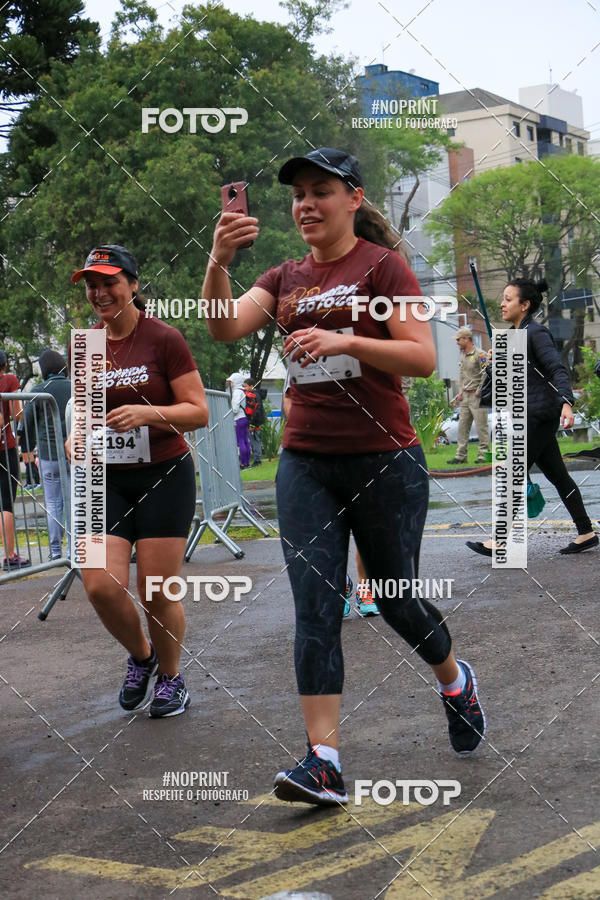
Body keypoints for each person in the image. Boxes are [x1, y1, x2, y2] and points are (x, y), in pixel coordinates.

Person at [204, 147, 486, 806]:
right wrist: (218, 261)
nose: (305, 203)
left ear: (354, 198)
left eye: (320, 191)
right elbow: (223, 328)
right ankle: (322, 760)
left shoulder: (383, 268)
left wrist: (348, 341)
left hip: (385, 458)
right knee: (315, 605)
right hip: (306, 462)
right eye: (298, 193)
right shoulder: (282, 278)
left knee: (394, 599)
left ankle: (454, 680)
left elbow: (420, 357)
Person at [68, 245, 208, 716]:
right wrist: (75, 438)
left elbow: (198, 411)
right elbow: (83, 414)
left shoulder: (163, 338)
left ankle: (172, 679)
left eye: (108, 282)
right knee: (100, 586)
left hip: (164, 475)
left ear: (131, 284)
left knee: (154, 590)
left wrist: (148, 413)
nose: (99, 292)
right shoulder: (84, 345)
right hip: (104, 481)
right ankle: (143, 658)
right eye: (91, 284)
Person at [467, 277, 598, 558]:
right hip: (532, 414)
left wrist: (566, 401)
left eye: (508, 298)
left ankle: (500, 540)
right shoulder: (516, 336)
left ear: (524, 305)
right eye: (502, 298)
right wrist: (494, 364)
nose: (502, 303)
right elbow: (510, 383)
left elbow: (556, 368)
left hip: (538, 416)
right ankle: (586, 532)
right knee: (559, 477)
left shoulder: (536, 333)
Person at [22, 349, 71, 559]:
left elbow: (27, 425)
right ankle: (75, 550)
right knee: (74, 501)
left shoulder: (38, 390)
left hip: (47, 454)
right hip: (73, 453)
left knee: (53, 503)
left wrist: (27, 450)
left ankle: (54, 551)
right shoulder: (75, 388)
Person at [0, 350, 30, 570]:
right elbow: (16, 412)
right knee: (6, 502)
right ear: (5, 364)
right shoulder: (8, 379)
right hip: (5, 447)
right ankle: (10, 556)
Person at [448, 328, 489, 465]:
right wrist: (460, 392)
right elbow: (462, 375)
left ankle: (483, 455)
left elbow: (486, 373)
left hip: (477, 396)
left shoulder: (480, 354)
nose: (457, 343)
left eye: (458, 340)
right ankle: (461, 456)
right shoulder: (462, 355)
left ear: (467, 339)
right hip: (465, 396)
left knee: (481, 427)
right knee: (462, 427)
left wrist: (479, 390)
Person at [227, 372, 251, 468]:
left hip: (239, 418)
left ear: (236, 381)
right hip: (244, 418)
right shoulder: (242, 391)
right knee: (245, 441)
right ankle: (247, 462)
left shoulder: (237, 392)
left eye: (231, 381)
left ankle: (243, 463)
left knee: (240, 441)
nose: (230, 383)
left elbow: (235, 408)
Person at [243, 377, 265, 467]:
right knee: (256, 440)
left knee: (255, 441)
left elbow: (257, 410)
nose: (244, 388)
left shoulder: (254, 396)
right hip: (256, 421)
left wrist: (252, 423)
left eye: (246, 386)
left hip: (255, 423)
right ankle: (257, 459)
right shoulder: (255, 395)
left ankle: (257, 460)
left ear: (252, 386)